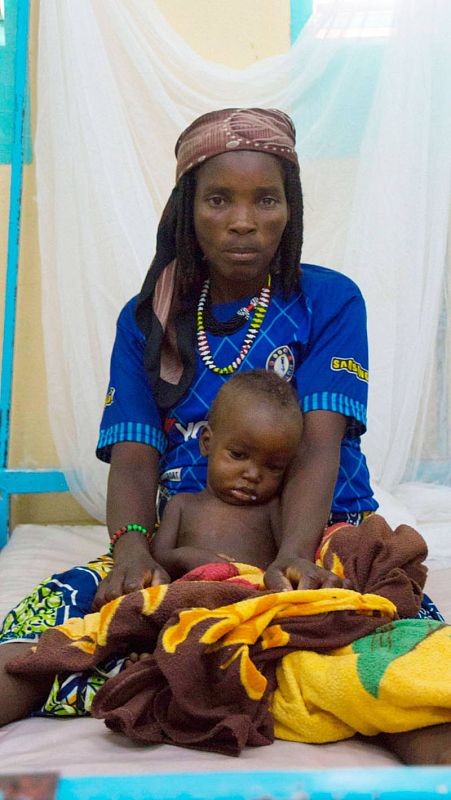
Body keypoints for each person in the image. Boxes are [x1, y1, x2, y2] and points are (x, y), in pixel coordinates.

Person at [0, 108, 448, 763]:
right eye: (218, 200)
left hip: (319, 537)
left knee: (403, 664)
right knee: (47, 638)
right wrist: (129, 548)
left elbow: (320, 445)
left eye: (265, 199)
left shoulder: (329, 301)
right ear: (189, 211)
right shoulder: (148, 319)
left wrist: (294, 555)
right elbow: (132, 457)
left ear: (289, 209)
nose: (243, 221)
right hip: (188, 544)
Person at [152, 369, 303, 578]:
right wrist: (187, 556)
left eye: (273, 467)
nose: (253, 474)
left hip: (250, 602)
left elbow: (286, 562)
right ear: (207, 443)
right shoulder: (182, 504)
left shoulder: (271, 510)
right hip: (190, 598)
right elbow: (158, 557)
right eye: (238, 455)